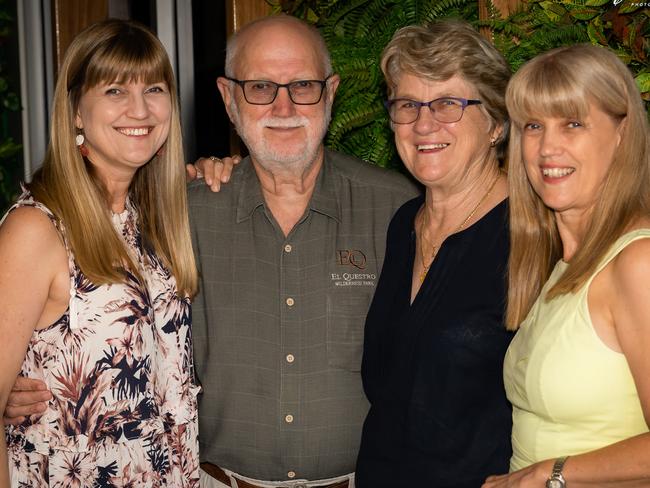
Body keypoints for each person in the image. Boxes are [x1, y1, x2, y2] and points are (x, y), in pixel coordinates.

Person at [190, 15, 418, 488]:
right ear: (228, 98)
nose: (283, 105)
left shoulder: (398, 209)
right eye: (259, 87)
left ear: (331, 93)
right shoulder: (184, 214)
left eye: (303, 85)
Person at [0, 19, 199, 486]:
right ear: (75, 112)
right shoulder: (36, 229)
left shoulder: (150, 223)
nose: (140, 109)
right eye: (114, 91)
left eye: (153, 88)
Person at [355, 21, 514, 487]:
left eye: (448, 103)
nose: (424, 124)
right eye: (408, 104)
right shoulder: (404, 223)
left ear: (497, 123)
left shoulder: (536, 234)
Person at [483, 44, 650, 488]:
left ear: (622, 132)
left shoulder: (638, 262)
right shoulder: (561, 261)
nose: (547, 147)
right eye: (533, 126)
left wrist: (546, 474)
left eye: (572, 123)